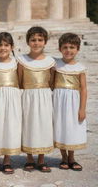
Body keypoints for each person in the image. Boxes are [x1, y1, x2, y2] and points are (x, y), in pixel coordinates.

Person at [17, 26, 55, 173]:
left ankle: (41, 158)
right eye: (33, 40)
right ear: (28, 42)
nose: (36, 43)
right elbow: (19, 81)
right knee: (29, 125)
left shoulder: (51, 61)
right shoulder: (22, 61)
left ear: (45, 42)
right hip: (28, 96)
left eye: (40, 40)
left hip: (44, 97)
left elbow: (51, 82)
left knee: (43, 126)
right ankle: (29, 158)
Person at [0, 32, 22, 175]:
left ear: (12, 47)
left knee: (10, 126)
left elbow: (20, 81)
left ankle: (7, 159)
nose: (3, 48)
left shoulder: (17, 63)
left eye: (6, 45)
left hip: (12, 98)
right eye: (0, 45)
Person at [53, 33, 87, 171]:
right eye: (65, 47)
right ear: (60, 49)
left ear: (78, 49)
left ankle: (71, 157)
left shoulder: (80, 68)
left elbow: (84, 89)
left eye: (72, 47)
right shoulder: (55, 64)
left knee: (72, 128)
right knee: (60, 126)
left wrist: (82, 109)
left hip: (73, 101)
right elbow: (51, 83)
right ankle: (63, 157)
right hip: (58, 100)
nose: (68, 50)